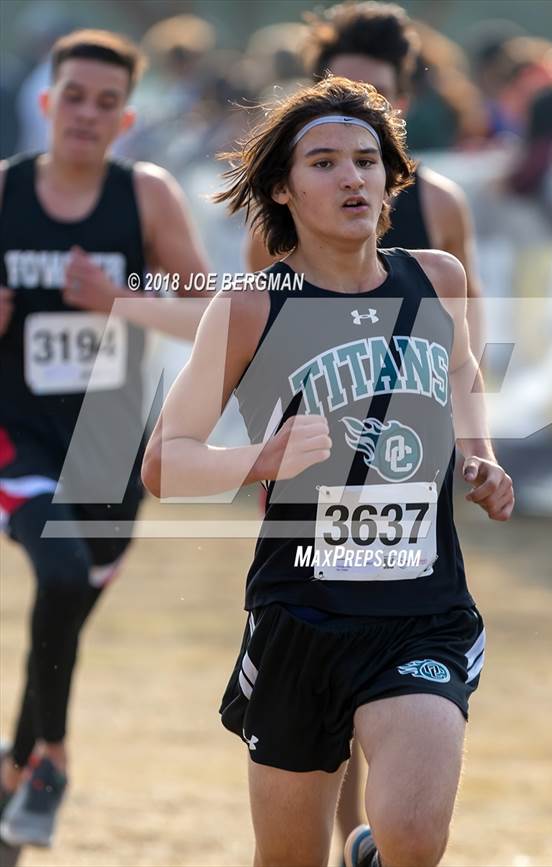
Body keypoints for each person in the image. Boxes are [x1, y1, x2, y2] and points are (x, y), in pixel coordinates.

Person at [142, 76, 513, 867]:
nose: (353, 178)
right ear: (282, 185)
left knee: (415, 835)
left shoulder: (434, 278)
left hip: (422, 608)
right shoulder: (251, 306)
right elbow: (164, 464)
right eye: (324, 162)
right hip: (300, 612)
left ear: (390, 176)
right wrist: (258, 458)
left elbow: (464, 375)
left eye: (367, 160)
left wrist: (480, 452)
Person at [245, 2, 485, 838]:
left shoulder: (440, 216)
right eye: (337, 98)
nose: (352, 171)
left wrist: (475, 445)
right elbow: (259, 343)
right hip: (312, 520)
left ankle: (375, 832)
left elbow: (465, 350)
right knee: (315, 738)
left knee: (407, 770)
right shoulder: (282, 237)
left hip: (413, 521)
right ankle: (347, 823)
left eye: (372, 114)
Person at [0, 28, 209, 850]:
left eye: (107, 103)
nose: (87, 114)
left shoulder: (146, 196)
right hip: (18, 436)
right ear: (48, 106)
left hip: (114, 445)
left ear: (125, 119)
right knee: (55, 568)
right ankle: (51, 756)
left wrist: (121, 299)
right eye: (74, 99)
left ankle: (17, 772)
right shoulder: (5, 192)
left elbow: (215, 315)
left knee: (66, 612)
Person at [247, 1, 484, 365]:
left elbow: (467, 330)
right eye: (342, 93)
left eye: (376, 96)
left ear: (402, 104)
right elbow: (265, 337)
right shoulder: (286, 206)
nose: (355, 110)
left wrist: (473, 412)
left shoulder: (441, 204)